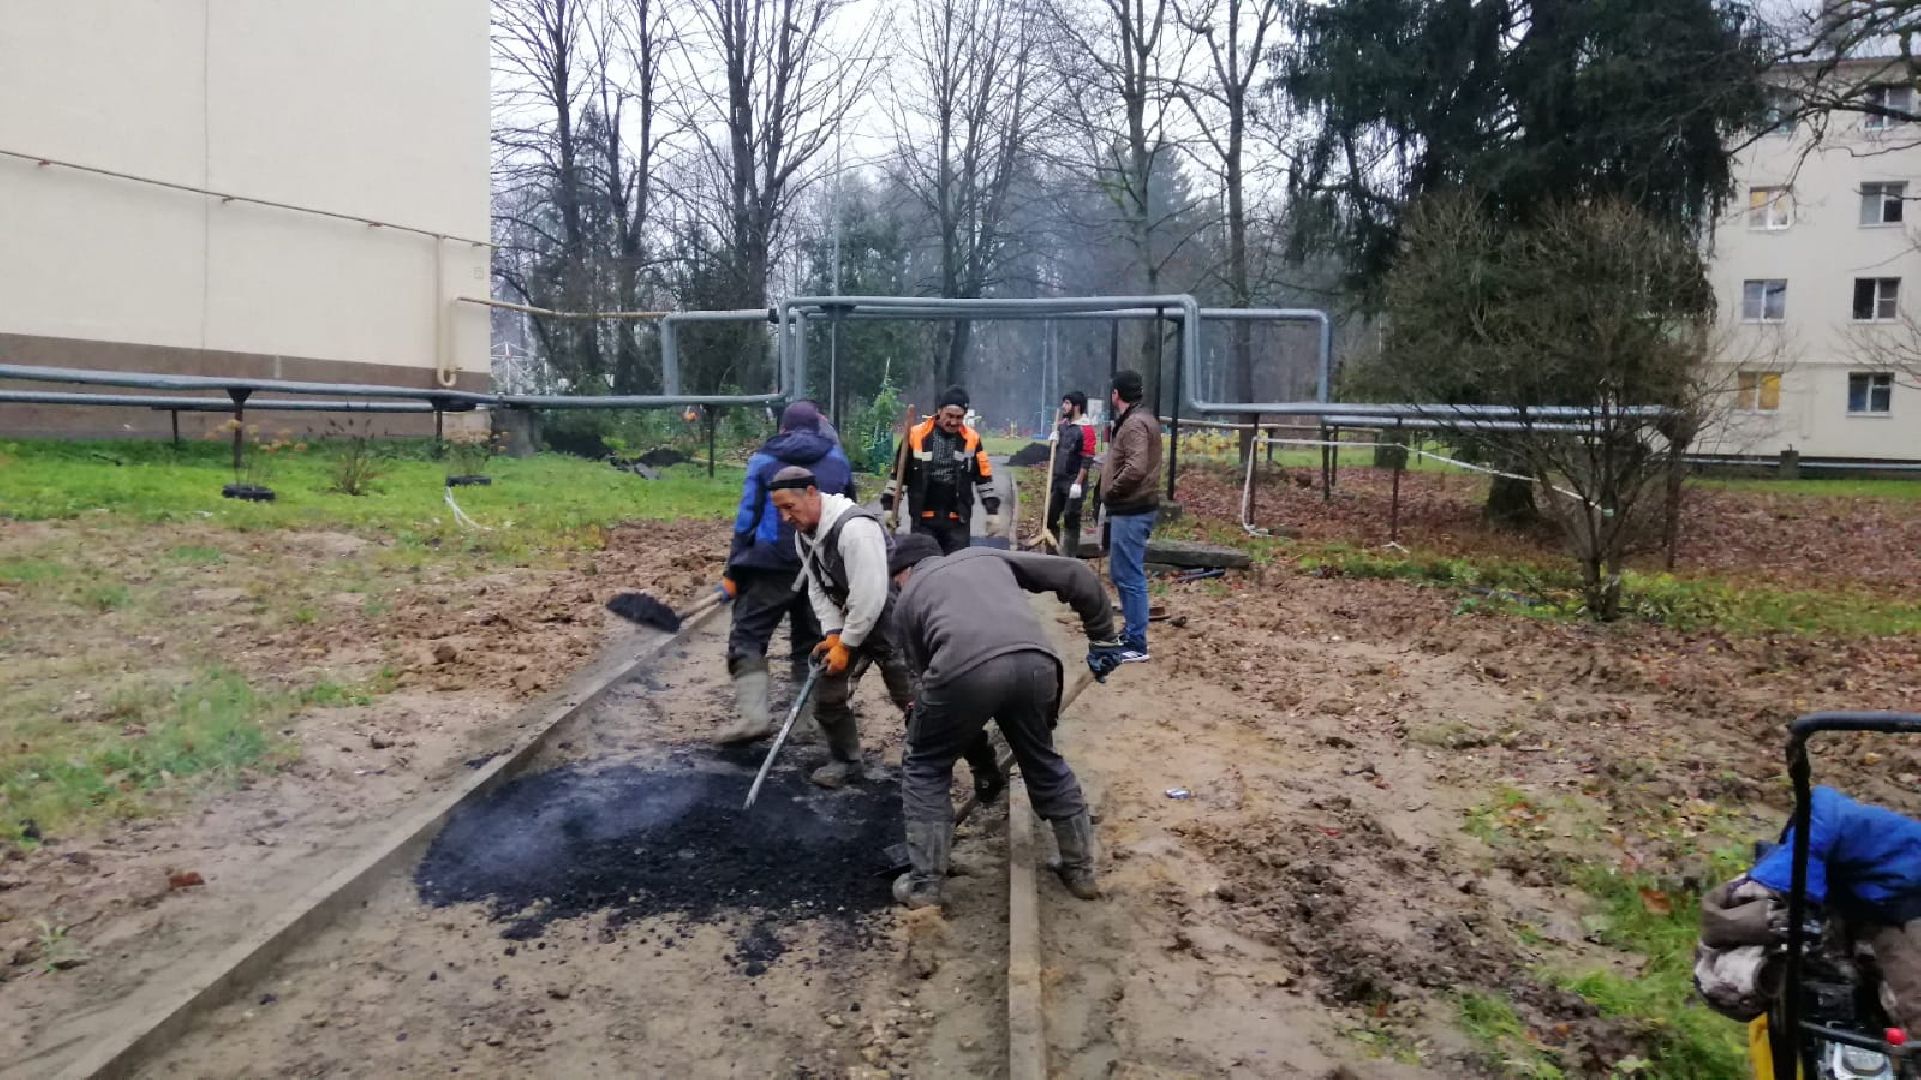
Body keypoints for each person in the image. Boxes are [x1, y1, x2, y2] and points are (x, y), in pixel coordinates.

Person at [884, 533, 1127, 911]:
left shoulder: (906, 605)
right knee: (1041, 757)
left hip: (961, 672)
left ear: (903, 573)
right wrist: (1103, 639)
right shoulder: (985, 556)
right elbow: (1075, 572)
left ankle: (925, 886)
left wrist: (981, 764)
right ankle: (1080, 871)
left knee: (925, 764)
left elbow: (936, 705)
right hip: (1036, 663)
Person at [715, 401, 854, 746]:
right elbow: (848, 511)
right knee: (811, 641)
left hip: (768, 565)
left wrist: (733, 569)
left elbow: (748, 517)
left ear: (784, 429)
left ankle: (753, 717)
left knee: (748, 635)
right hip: (818, 563)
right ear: (819, 425)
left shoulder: (763, 460)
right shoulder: (837, 460)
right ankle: (807, 720)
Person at [770, 465, 916, 788]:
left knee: (913, 698)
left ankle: (928, 766)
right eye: (779, 510)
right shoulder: (805, 536)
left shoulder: (854, 529)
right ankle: (846, 760)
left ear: (810, 493)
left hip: (889, 619)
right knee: (828, 692)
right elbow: (817, 588)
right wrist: (833, 634)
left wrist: (847, 645)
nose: (785, 518)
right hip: (852, 620)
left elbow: (870, 596)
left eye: (788, 507)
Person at [883, 386, 1000, 554]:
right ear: (939, 411)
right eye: (949, 416)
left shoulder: (972, 439)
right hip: (923, 519)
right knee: (923, 566)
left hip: (958, 521)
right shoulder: (916, 435)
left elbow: (984, 477)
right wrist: (889, 507)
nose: (953, 422)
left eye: (959, 418)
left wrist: (992, 512)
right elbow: (899, 475)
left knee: (956, 568)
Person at [1103, 370, 1161, 664]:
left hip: (1132, 508)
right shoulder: (1138, 419)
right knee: (1122, 573)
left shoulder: (1135, 423)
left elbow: (1136, 467)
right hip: (1130, 508)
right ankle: (1130, 633)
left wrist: (1112, 490)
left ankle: (1137, 642)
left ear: (1116, 394)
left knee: (1129, 575)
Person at [1044, 391, 1098, 557]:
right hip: (1058, 479)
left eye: (1067, 403)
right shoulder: (1062, 426)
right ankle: (1051, 554)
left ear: (1077, 407)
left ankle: (1069, 556)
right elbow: (1057, 452)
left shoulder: (1086, 429)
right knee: (1050, 516)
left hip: (1074, 480)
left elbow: (1087, 457)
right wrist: (1054, 440)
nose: (1063, 406)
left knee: (1071, 517)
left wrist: (1078, 482)